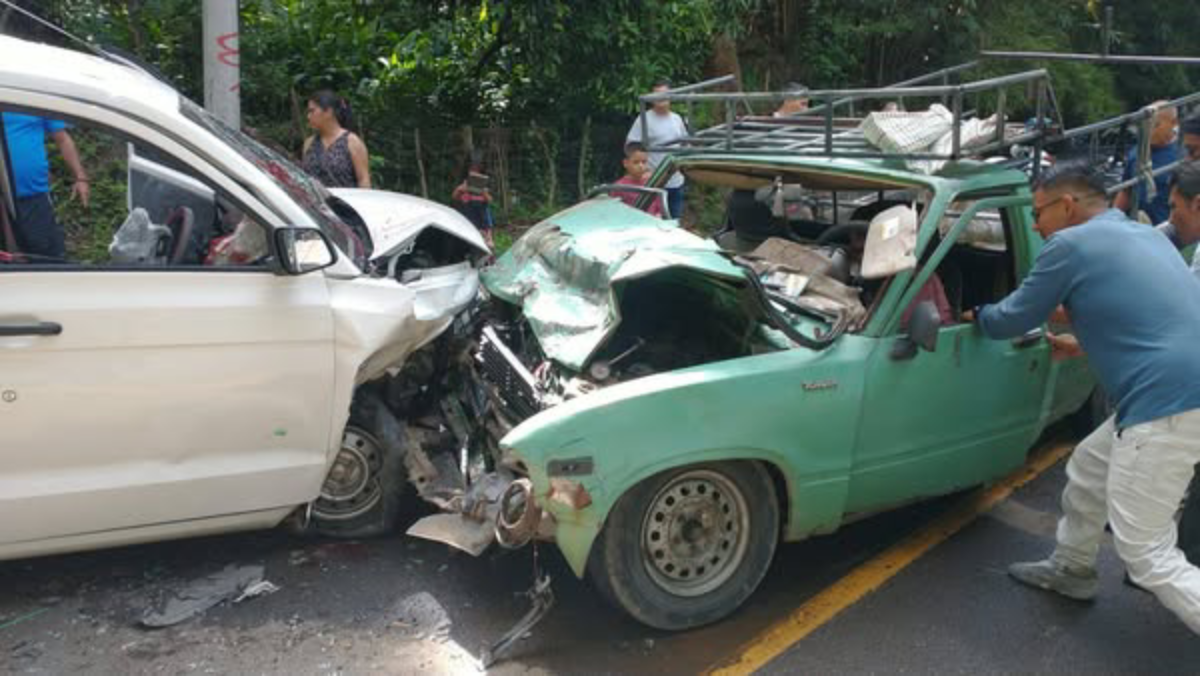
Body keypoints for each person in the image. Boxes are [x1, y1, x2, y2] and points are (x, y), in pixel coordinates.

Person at [966, 161, 1200, 635]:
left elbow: (1015, 316)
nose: (1034, 225)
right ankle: (1072, 567)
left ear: (1067, 205)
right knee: (1091, 465)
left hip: (1166, 401)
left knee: (1147, 553)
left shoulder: (1070, 244)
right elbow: (1141, 314)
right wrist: (1084, 339)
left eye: (1038, 212)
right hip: (1180, 390)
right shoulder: (1144, 235)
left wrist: (975, 314)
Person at [1, 112, 89, 261]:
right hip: (3, 201)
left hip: (34, 197)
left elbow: (62, 139)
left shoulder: (34, 100)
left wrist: (81, 177)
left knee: (47, 258)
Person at [626, 78, 689, 220]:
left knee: (674, 223)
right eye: (657, 94)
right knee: (654, 222)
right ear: (651, 97)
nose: (661, 98)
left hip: (676, 181)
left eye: (664, 94)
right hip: (654, 181)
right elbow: (631, 147)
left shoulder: (677, 119)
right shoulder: (644, 119)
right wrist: (643, 171)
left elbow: (685, 144)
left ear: (671, 96)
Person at [1114, 101, 1178, 224]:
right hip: (1138, 225)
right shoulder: (1136, 152)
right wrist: (1112, 219)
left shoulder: (1183, 154)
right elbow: (1126, 190)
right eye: (1146, 125)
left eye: (1155, 125)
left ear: (1174, 123)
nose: (1149, 131)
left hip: (1168, 228)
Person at [302, 90, 371, 189]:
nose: (308, 116)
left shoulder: (352, 141)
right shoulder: (309, 143)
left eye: (312, 111)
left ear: (328, 112)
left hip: (346, 202)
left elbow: (364, 180)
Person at [609, 142, 663, 217]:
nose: (641, 166)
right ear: (625, 163)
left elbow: (659, 209)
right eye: (636, 162)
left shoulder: (651, 183)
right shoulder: (619, 187)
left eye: (644, 162)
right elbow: (615, 213)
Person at [451, 163, 494, 248]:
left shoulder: (483, 188)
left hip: (480, 219)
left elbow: (490, 200)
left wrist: (484, 193)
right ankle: (482, 234)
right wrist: (459, 190)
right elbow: (454, 197)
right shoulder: (464, 185)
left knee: (485, 209)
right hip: (468, 217)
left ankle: (487, 235)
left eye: (476, 172)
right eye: (472, 172)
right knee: (469, 206)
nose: (474, 173)